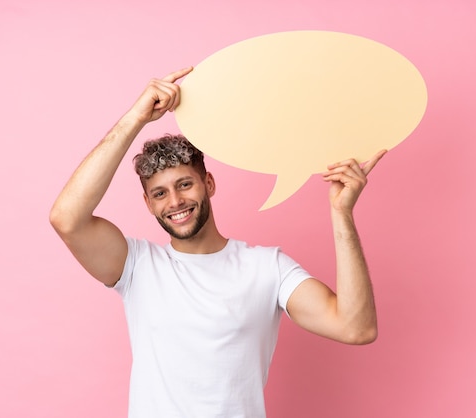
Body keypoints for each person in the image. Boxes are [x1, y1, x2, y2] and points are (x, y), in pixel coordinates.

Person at [49, 66, 386, 418]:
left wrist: (341, 213)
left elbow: (355, 327)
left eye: (184, 184)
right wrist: (136, 118)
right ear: (148, 204)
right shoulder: (136, 266)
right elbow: (66, 218)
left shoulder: (267, 267)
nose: (175, 202)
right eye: (160, 193)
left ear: (208, 183)